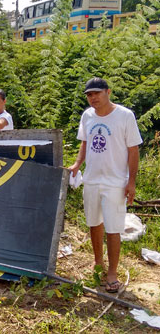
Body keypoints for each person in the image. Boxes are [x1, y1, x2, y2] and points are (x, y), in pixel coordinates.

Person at [68, 77, 142, 293]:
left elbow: (133, 150)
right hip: (91, 179)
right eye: (89, 95)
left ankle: (112, 272)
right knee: (94, 223)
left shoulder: (125, 116)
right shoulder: (87, 116)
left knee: (114, 228)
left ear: (108, 92)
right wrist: (77, 163)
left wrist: (131, 182)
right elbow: (85, 142)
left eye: (97, 93)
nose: (93, 98)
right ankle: (98, 262)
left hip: (115, 182)